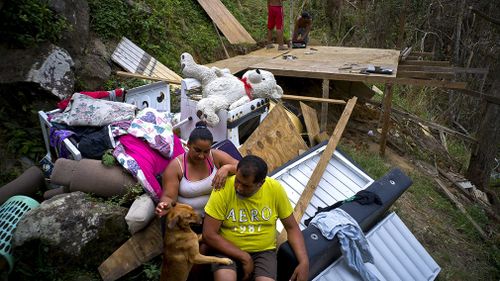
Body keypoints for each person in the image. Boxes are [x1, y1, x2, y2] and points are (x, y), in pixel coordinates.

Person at [203, 155, 309, 281]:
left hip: (263, 251)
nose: (239, 187)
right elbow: (209, 234)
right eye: (237, 180)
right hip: (227, 247)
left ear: (261, 184)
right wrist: (244, 257)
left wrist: (304, 262)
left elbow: (292, 228)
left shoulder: (275, 189)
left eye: (246, 186)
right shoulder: (224, 187)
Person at [155, 121, 239, 217]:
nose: (201, 156)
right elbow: (169, 197)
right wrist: (165, 205)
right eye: (197, 150)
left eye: (206, 151)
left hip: (218, 216)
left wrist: (227, 168)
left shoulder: (216, 156)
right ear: (188, 145)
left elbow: (244, 168)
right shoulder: (176, 167)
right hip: (190, 222)